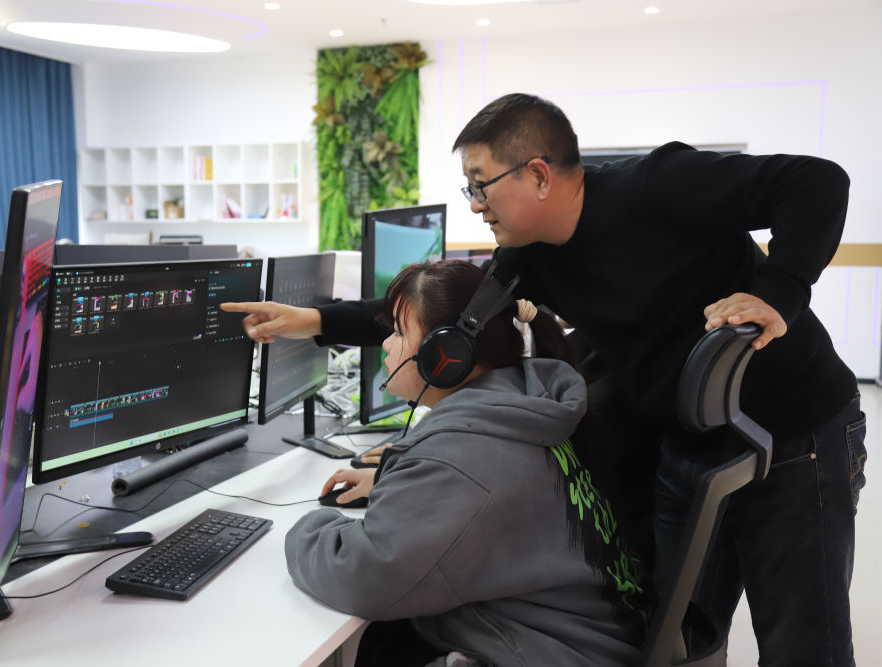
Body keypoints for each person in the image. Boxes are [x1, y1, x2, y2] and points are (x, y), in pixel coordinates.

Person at [223, 93, 867, 665]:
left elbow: (816, 181)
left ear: (537, 174)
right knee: (680, 636)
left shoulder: (658, 185)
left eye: (480, 185)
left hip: (797, 428)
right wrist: (313, 320)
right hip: (688, 440)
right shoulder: (529, 256)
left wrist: (778, 293)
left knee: (802, 642)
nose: (476, 205)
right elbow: (440, 322)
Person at [282, 259, 652, 667]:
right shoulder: (525, 404)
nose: (386, 344)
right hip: (590, 639)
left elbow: (364, 577)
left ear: (446, 355)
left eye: (399, 332)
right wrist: (401, 476)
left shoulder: (465, 455)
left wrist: (309, 527)